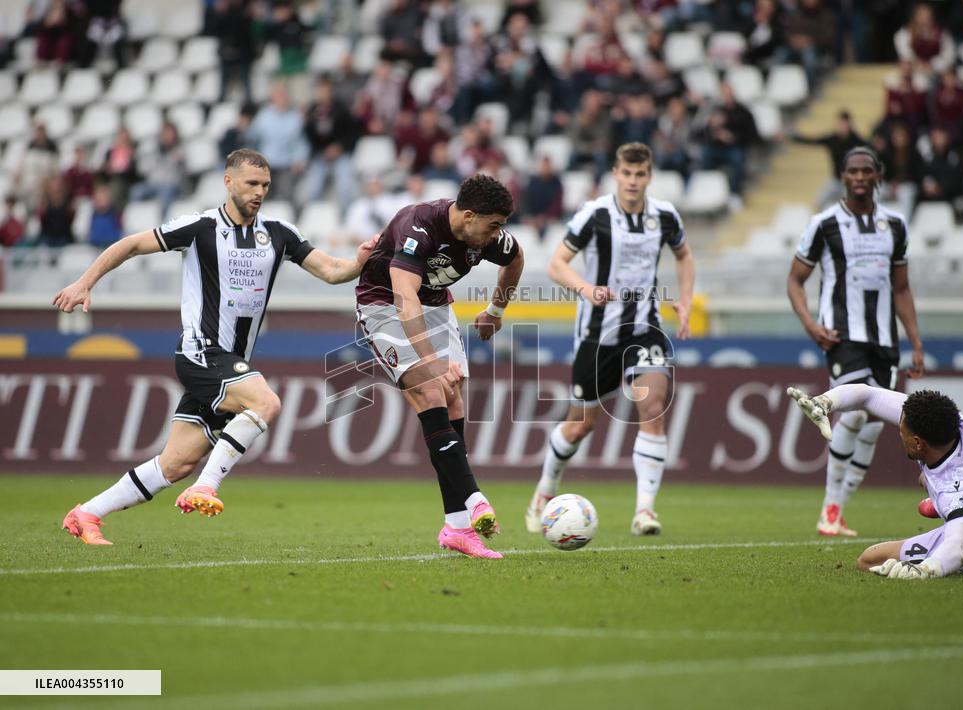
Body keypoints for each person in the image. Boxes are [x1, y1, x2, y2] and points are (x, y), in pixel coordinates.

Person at [55, 149, 375, 545]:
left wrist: (360, 261)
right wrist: (85, 282)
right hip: (200, 351)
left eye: (265, 186)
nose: (259, 192)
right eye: (251, 184)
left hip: (232, 362)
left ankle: (85, 514)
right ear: (228, 182)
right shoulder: (200, 227)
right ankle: (207, 487)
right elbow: (133, 244)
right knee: (266, 403)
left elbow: (330, 271)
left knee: (175, 464)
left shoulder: (279, 233)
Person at [524, 142, 695, 536]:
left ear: (649, 176)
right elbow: (556, 264)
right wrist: (585, 289)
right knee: (580, 426)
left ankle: (645, 511)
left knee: (652, 404)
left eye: (641, 174)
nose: (633, 181)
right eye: (627, 173)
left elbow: (684, 256)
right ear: (615, 174)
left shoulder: (665, 216)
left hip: (645, 328)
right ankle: (546, 489)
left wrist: (685, 301)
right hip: (597, 335)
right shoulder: (594, 215)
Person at [355, 174, 524, 559]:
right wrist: (431, 361)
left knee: (453, 401)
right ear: (468, 216)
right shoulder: (417, 225)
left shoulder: (489, 235)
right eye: (493, 225)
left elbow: (516, 259)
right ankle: (475, 500)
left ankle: (457, 529)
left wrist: (496, 310)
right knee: (432, 388)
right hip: (385, 304)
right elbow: (404, 297)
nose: (498, 233)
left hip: (434, 304)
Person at [787, 146, 925, 538]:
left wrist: (915, 342)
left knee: (875, 427)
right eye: (853, 171)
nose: (860, 177)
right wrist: (811, 324)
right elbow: (795, 278)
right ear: (843, 177)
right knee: (857, 413)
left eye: (867, 170)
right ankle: (829, 508)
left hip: (884, 340)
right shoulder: (824, 223)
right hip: (841, 336)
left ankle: (838, 509)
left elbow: (901, 288)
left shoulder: (895, 225)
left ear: (878, 175)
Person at [788, 385, 963, 579]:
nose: (900, 432)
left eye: (902, 431)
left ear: (918, 443)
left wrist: (926, 569)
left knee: (959, 545)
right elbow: (868, 395)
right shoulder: (952, 422)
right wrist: (825, 402)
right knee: (870, 559)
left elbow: (960, 546)